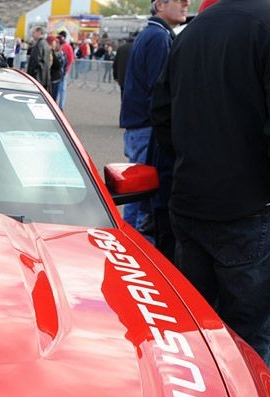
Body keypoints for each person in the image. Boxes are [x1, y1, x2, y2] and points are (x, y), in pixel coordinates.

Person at [151, 0, 270, 365]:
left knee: (198, 333)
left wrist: (192, 162)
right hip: (252, 208)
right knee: (248, 343)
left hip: (195, 199)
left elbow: (163, 114)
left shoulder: (195, 29)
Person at [118, 0, 187, 238]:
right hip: (147, 127)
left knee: (135, 195)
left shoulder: (151, 34)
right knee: (144, 200)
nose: (186, 3)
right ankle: (138, 252)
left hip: (139, 125)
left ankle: (128, 242)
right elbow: (159, 92)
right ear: (160, 5)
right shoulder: (158, 37)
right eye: (180, 0)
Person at [25, 25, 52, 91]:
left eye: (34, 33)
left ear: (39, 32)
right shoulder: (45, 44)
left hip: (38, 77)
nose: (32, 35)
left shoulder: (39, 45)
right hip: (44, 77)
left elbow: (35, 61)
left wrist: (30, 74)